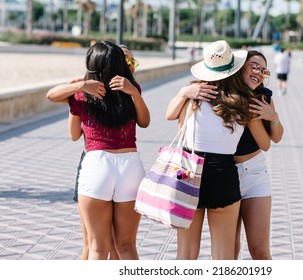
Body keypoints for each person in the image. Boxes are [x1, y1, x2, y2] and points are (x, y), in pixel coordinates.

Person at [166, 50, 284, 260]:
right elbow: (266, 143)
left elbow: (176, 123)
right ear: (238, 68)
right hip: (224, 174)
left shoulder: (194, 95)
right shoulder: (243, 103)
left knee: (186, 254)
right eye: (254, 66)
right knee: (225, 256)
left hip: (192, 172)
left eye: (263, 70)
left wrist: (185, 92)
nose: (259, 73)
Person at [47, 41, 150, 260]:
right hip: (130, 166)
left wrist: (80, 86)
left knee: (97, 247)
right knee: (127, 246)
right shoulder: (128, 87)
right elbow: (145, 122)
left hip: (96, 165)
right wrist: (134, 93)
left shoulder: (82, 93)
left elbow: (52, 97)